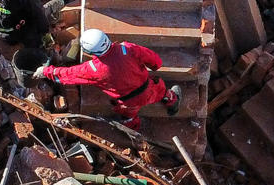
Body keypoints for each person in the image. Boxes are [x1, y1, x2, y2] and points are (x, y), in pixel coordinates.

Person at [36, 29, 181, 129]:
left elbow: (68, 74)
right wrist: (155, 66)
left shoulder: (93, 69)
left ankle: (133, 129)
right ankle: (171, 101)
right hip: (148, 89)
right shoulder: (127, 48)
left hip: (128, 101)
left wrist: (46, 71)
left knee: (128, 115)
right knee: (161, 92)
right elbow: (154, 60)